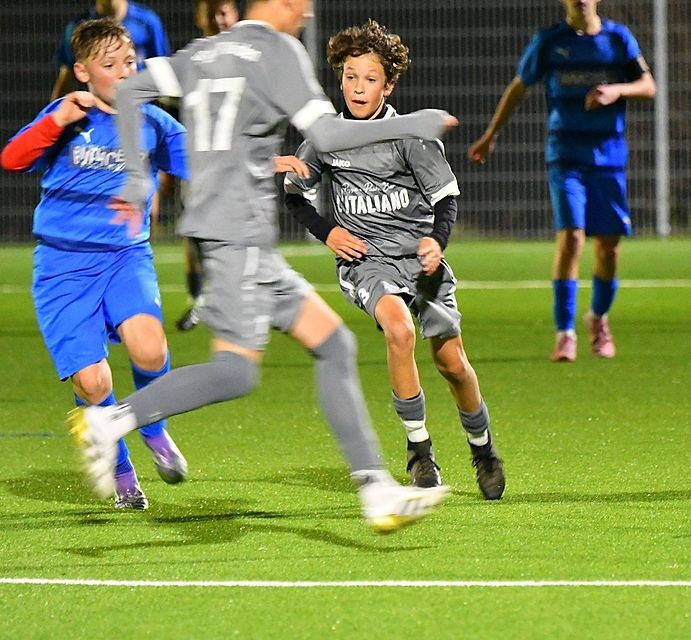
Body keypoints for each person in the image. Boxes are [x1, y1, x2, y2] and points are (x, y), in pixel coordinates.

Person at [67, 0, 458, 534]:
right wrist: (418, 122)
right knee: (236, 371)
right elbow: (330, 136)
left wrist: (138, 181)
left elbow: (132, 88)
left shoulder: (207, 50)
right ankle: (112, 421)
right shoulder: (278, 50)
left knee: (334, 345)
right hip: (239, 234)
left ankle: (375, 489)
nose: (305, 14)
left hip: (228, 233)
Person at [283, 20, 506, 500]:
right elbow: (295, 195)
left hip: (419, 262)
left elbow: (446, 198)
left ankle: (482, 448)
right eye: (349, 76)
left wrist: (436, 242)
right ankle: (419, 452)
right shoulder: (326, 136)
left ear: (388, 85)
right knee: (398, 329)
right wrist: (328, 232)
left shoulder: (410, 136)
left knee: (453, 364)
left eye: (369, 78)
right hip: (367, 263)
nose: (358, 87)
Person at [1, 18, 189, 509]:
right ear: (84, 72)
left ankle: (154, 429)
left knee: (149, 349)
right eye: (111, 66)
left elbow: (208, 160)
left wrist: (265, 163)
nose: (125, 73)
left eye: (130, 62)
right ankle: (122, 470)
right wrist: (57, 120)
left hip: (124, 258)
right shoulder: (66, 117)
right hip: (62, 268)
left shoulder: (152, 121)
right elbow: (13, 159)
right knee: (93, 382)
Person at [468, 0, 656, 362]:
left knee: (609, 248)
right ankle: (565, 332)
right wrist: (491, 134)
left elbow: (648, 85)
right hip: (565, 155)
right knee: (571, 238)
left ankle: (598, 319)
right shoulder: (550, 42)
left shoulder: (618, 39)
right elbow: (519, 87)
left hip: (609, 158)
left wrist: (617, 90)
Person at [176, 0, 242, 333]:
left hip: (237, 164)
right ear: (201, 17)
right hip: (199, 162)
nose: (220, 19)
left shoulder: (249, 57)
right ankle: (198, 301)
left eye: (226, 12)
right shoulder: (191, 58)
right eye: (214, 12)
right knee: (193, 233)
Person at [51, 0, 169, 100]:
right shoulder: (78, 26)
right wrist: (55, 116)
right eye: (108, 64)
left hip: (138, 103)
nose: (122, 72)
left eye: (129, 62)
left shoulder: (147, 21)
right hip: (96, 107)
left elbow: (162, 69)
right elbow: (66, 75)